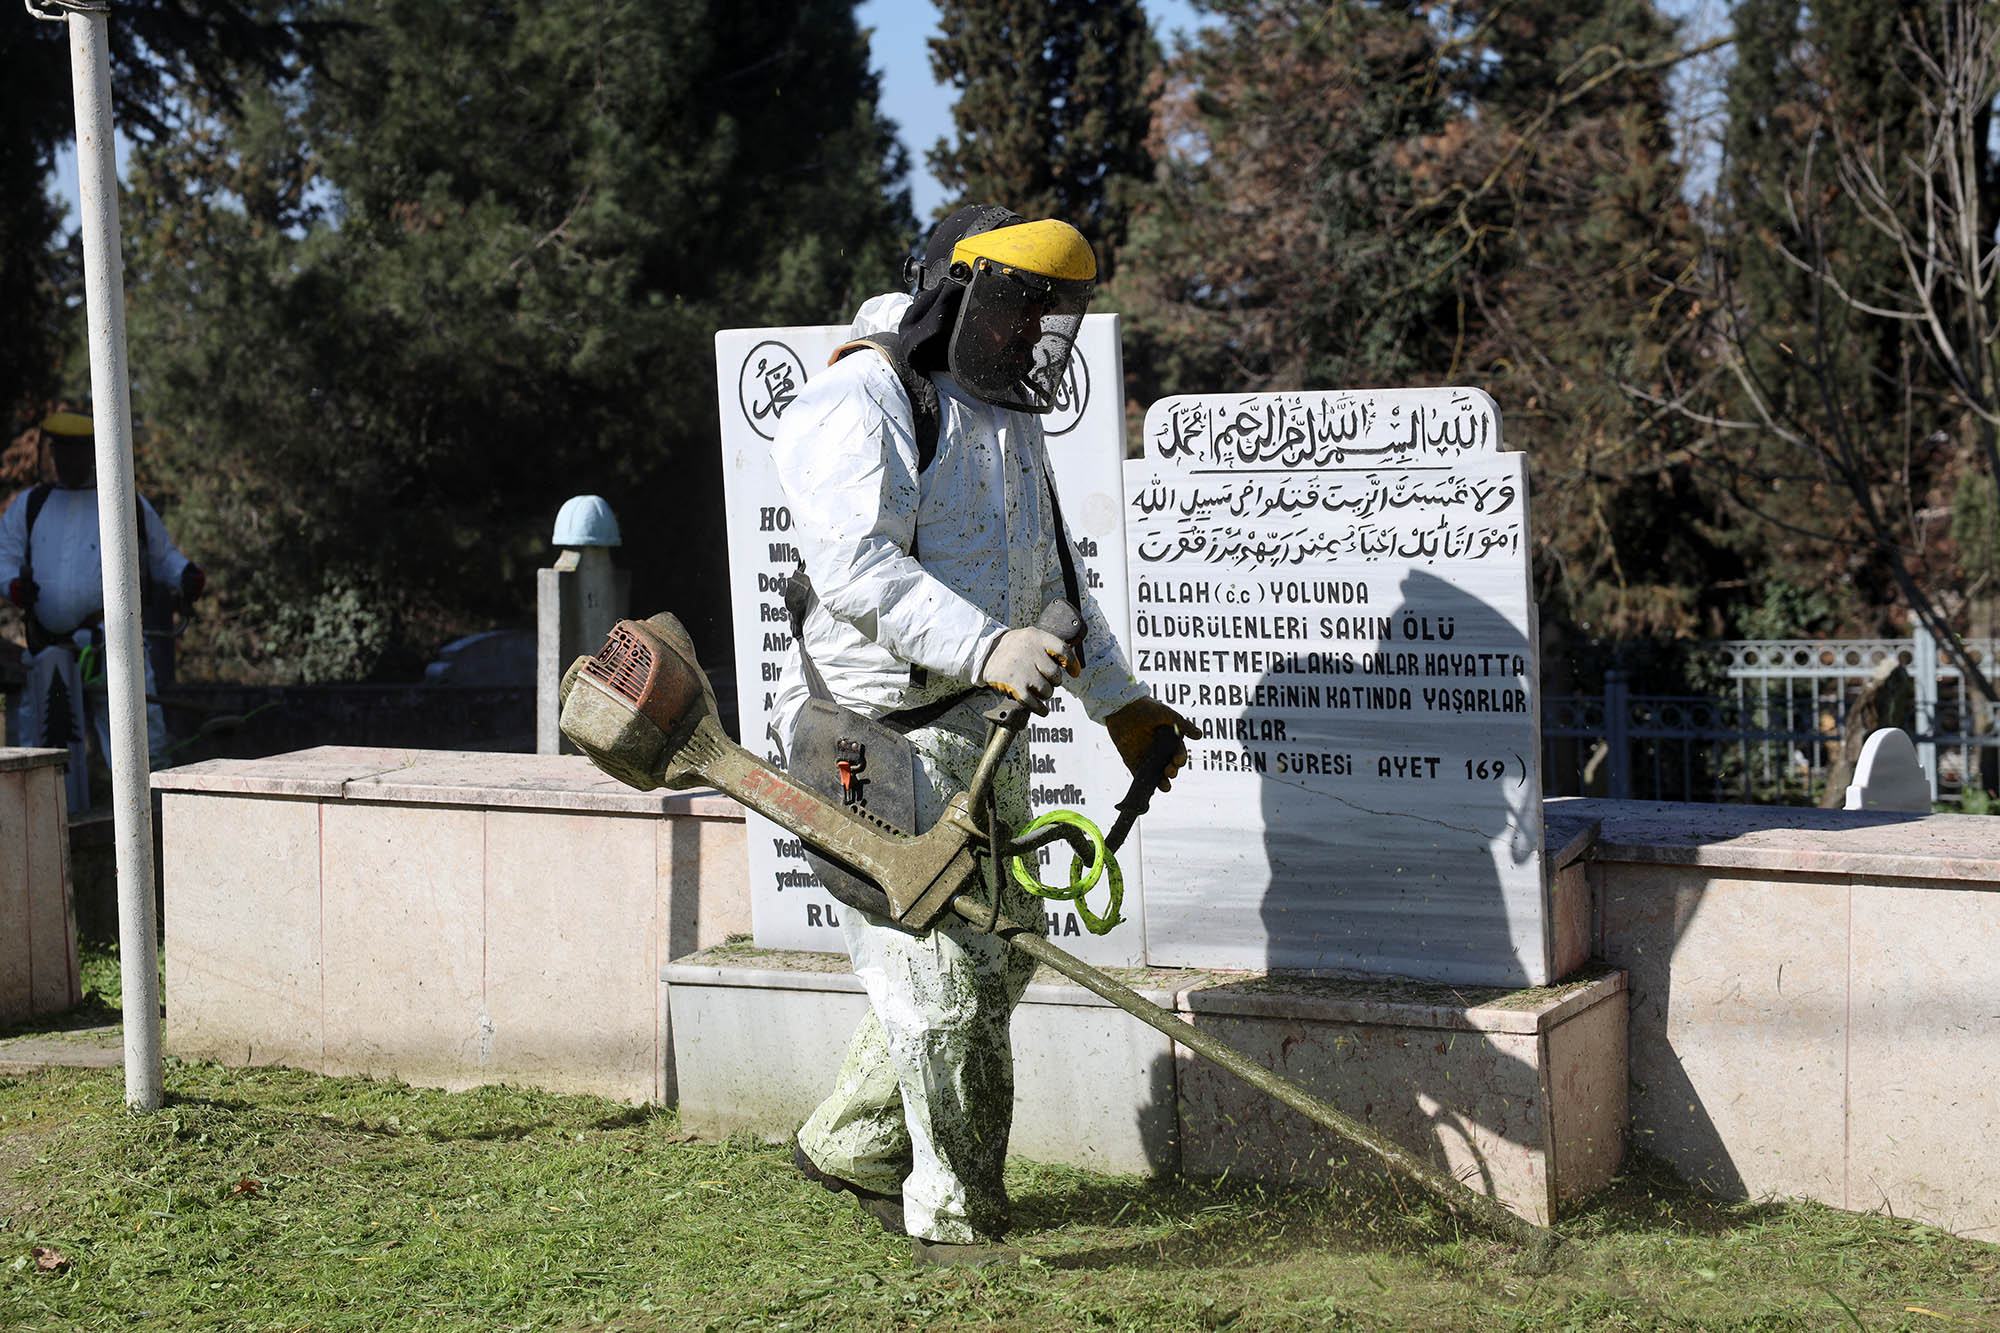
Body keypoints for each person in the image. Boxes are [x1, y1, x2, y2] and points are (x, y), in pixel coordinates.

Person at [771, 206, 1197, 1268]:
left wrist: (1120, 705)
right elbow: (857, 570)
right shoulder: (861, 395)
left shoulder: (1004, 410)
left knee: (1000, 955)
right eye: (1015, 309)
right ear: (952, 294)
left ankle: (846, 1143)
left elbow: (1054, 583)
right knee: (941, 990)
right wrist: (981, 643)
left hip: (975, 731)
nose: (1029, 336)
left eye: (1047, 318)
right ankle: (958, 1228)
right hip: (867, 739)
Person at [0, 410, 205, 813]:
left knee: (139, 738)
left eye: (77, 452)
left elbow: (163, 556)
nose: (68, 460)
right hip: (49, 646)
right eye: (61, 451)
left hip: (113, 645)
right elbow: (4, 558)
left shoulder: (125, 500)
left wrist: (186, 576)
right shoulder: (30, 505)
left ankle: (151, 825)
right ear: (52, 454)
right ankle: (46, 829)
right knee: (42, 746)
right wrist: (13, 585)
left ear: (92, 454)